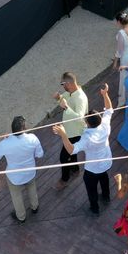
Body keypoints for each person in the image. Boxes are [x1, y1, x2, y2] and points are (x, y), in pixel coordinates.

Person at [52, 83, 113, 215]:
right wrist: (105, 94)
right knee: (104, 178)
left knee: (91, 189)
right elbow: (109, 109)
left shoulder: (86, 139)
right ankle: (106, 197)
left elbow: (71, 150)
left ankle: (95, 208)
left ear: (89, 124)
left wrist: (63, 134)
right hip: (106, 162)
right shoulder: (105, 125)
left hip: (92, 169)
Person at [0, 116, 43, 223]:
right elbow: (40, 154)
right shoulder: (33, 138)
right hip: (30, 171)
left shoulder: (4, 144)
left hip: (14, 176)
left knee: (16, 196)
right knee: (31, 188)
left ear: (12, 129)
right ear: (24, 128)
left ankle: (21, 217)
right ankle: (34, 207)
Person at [51, 72, 88, 189]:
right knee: (72, 153)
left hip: (75, 132)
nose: (62, 87)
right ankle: (75, 169)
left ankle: (64, 179)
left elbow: (80, 118)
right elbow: (64, 101)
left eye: (63, 84)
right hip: (68, 130)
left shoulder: (80, 98)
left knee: (63, 157)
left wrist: (66, 107)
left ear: (69, 84)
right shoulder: (69, 92)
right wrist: (59, 99)